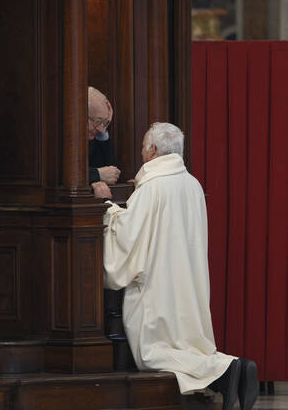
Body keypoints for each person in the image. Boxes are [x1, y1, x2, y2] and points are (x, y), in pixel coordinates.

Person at [93, 122, 259, 410]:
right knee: (186, 343)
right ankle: (231, 371)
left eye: (145, 147)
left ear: (153, 150)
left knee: (152, 352)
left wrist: (107, 202)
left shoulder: (153, 187)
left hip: (157, 289)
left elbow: (128, 235)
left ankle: (228, 369)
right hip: (187, 287)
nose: (143, 153)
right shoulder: (192, 184)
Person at [88, 87, 121, 197]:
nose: (101, 129)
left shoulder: (96, 132)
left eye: (105, 122)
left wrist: (104, 129)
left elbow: (110, 172)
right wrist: (96, 174)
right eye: (97, 121)